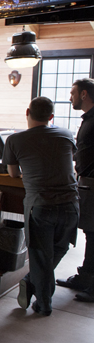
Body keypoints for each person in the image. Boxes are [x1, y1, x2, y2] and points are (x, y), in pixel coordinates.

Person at [3, 96, 79, 316]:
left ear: (28, 112)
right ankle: (32, 282)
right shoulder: (66, 135)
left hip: (41, 204)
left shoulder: (15, 140)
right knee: (60, 249)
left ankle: (43, 303)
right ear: (51, 117)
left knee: (40, 256)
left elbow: (13, 173)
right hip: (71, 204)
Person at [57, 78, 94, 302]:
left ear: (83, 94)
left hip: (93, 182)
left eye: (72, 92)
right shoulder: (88, 119)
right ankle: (84, 277)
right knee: (90, 233)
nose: (69, 97)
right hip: (87, 182)